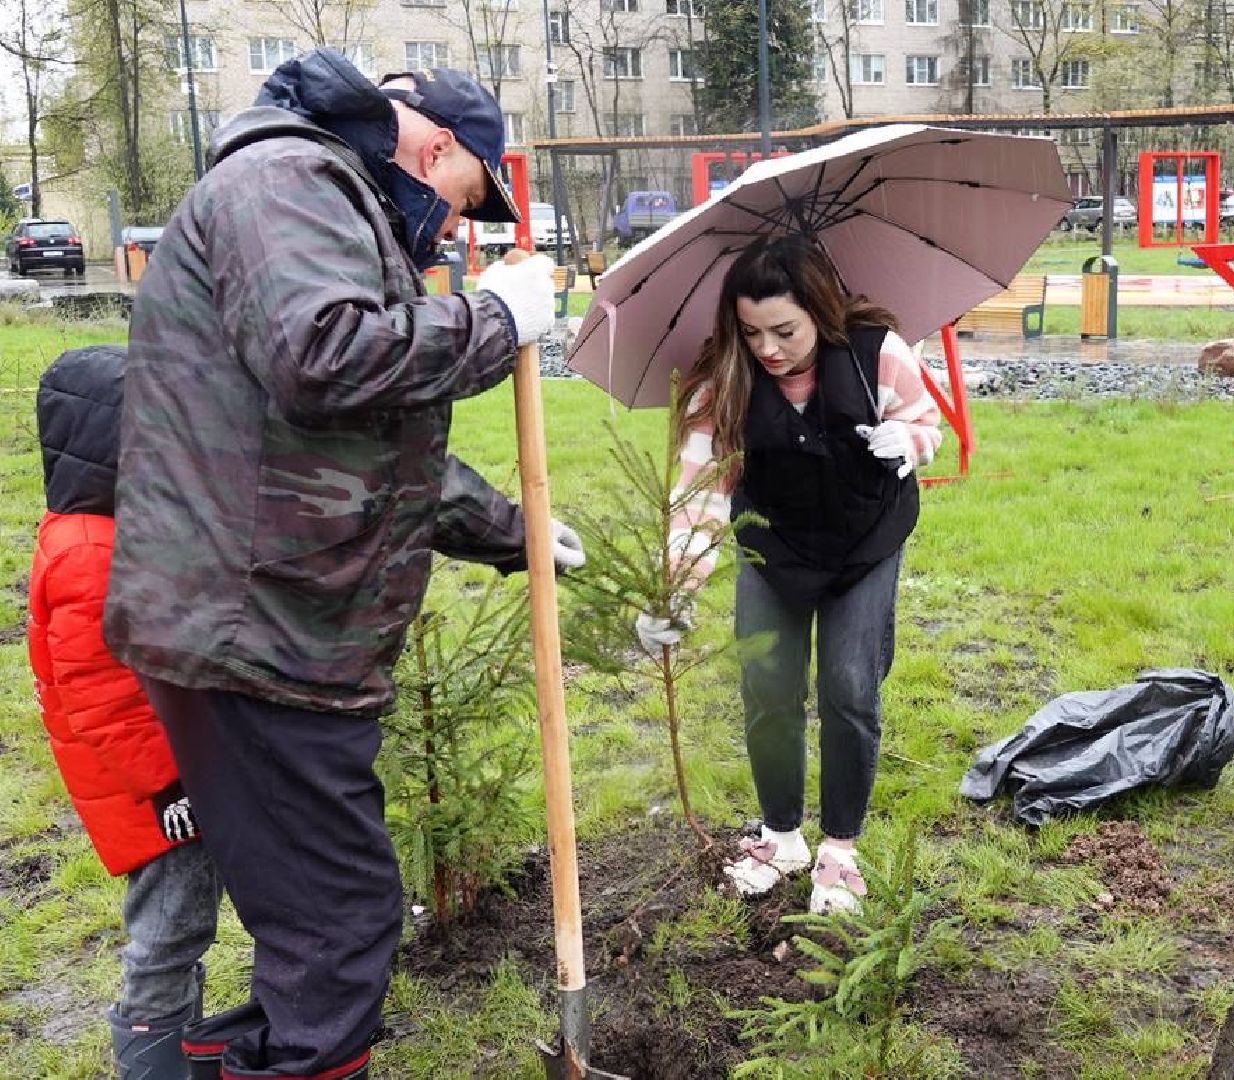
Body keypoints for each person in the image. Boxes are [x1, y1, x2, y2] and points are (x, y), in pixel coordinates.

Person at [104, 49, 581, 1079]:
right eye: (465, 197)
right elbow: (322, 356)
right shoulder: (289, 181)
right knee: (340, 924)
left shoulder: (318, 193)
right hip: (256, 634)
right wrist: (497, 318)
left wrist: (517, 532)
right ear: (438, 146)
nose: (457, 225)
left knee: (318, 921)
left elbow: (353, 447)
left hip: (263, 625)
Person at [639, 234, 941, 916]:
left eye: (784, 330)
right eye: (751, 332)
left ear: (820, 310)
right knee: (768, 685)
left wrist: (909, 441)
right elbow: (698, 496)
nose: (768, 348)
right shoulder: (721, 383)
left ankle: (840, 851)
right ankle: (782, 837)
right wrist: (675, 594)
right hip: (775, 551)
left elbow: (927, 419)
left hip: (865, 543)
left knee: (847, 687)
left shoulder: (877, 354)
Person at [28, 345, 222, 1080]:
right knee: (170, 925)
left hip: (167, 777)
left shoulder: (104, 531)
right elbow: (104, 700)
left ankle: (184, 1044)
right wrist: (169, 785)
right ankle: (155, 1055)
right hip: (151, 796)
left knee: (188, 916)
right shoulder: (86, 555)